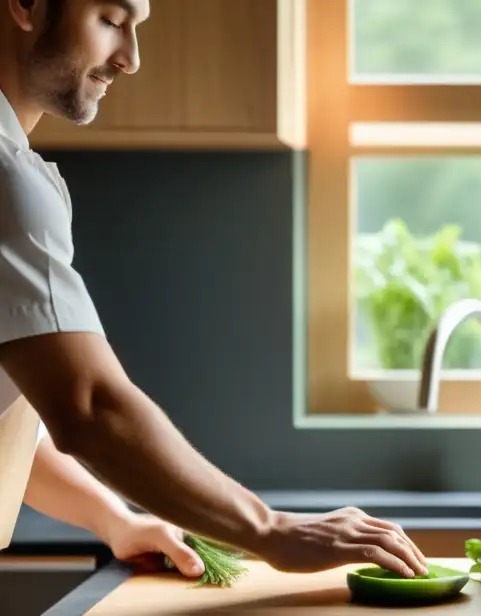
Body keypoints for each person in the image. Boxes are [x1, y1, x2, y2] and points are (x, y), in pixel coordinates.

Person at [0, 0, 429, 579]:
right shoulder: (6, 183)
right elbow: (88, 406)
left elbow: (23, 414)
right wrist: (270, 529)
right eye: (110, 20)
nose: (130, 59)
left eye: (137, 28)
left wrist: (113, 517)